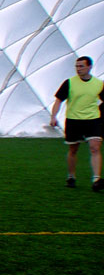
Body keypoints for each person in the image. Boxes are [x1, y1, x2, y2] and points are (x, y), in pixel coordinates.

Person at [49, 56, 104, 192]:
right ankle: (71, 176)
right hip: (73, 120)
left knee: (95, 148)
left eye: (81, 66)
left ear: (89, 67)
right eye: (77, 66)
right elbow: (58, 100)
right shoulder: (69, 83)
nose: (78, 69)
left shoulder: (99, 84)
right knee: (73, 150)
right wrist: (53, 116)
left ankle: (96, 179)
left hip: (93, 120)